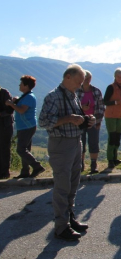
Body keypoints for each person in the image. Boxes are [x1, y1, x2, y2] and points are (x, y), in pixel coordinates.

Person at [39, 64, 95, 241]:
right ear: (68, 77)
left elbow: (75, 119)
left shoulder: (73, 95)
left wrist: (86, 120)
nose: (80, 86)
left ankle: (69, 219)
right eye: (78, 82)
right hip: (61, 144)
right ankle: (61, 227)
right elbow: (43, 121)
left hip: (75, 142)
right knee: (62, 186)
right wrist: (70, 119)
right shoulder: (53, 96)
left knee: (73, 183)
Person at [5, 75, 45, 179]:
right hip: (25, 126)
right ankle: (25, 172)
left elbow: (22, 110)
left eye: (21, 84)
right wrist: (17, 100)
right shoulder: (26, 95)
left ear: (26, 86)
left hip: (27, 127)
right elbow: (21, 105)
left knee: (21, 149)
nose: (19, 85)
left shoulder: (29, 97)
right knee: (25, 149)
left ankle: (37, 166)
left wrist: (10, 104)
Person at [103, 67, 121, 169]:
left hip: (119, 115)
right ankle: (110, 160)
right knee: (112, 137)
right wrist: (117, 102)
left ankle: (115, 158)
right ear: (115, 76)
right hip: (110, 116)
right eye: (118, 76)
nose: (120, 78)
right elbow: (105, 101)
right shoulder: (111, 87)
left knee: (117, 137)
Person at [76, 70, 104, 174]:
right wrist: (82, 107)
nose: (87, 80)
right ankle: (81, 163)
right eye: (85, 78)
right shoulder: (77, 91)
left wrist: (98, 121)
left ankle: (93, 164)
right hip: (80, 121)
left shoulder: (96, 91)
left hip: (93, 120)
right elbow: (72, 107)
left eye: (89, 78)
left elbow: (101, 107)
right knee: (80, 143)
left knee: (94, 142)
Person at [0, 86, 15, 179]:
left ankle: (4, 172)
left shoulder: (4, 93)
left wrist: (1, 114)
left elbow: (10, 109)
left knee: (4, 148)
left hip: (5, 126)